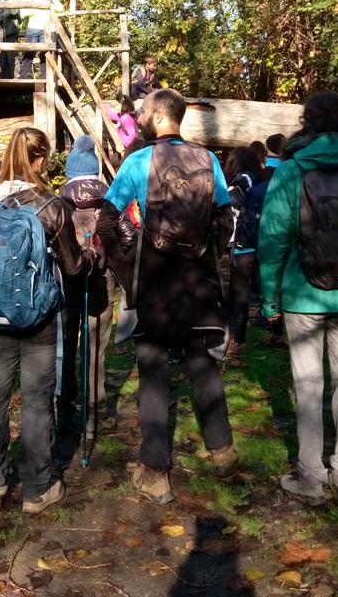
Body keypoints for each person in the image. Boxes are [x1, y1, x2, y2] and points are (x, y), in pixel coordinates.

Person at [97, 89, 237, 504]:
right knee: (203, 366)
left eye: (142, 111)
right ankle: (223, 453)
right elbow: (224, 218)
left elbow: (107, 220)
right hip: (198, 285)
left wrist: (129, 261)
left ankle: (156, 473)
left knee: (154, 374)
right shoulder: (209, 160)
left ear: (158, 116)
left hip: (157, 284)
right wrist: (207, 258)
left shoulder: (138, 161)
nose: (137, 116)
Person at [258, 91, 338, 503]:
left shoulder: (291, 170)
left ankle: (312, 476)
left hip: (302, 293)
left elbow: (273, 238)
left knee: (309, 383)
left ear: (307, 121)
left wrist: (269, 298)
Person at [0, 127, 86, 514]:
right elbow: (72, 266)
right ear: (41, 159)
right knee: (37, 400)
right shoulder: (51, 206)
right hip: (38, 318)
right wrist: (91, 259)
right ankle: (38, 488)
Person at [57, 136, 118, 438]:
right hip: (100, 277)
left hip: (68, 277)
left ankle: (64, 404)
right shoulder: (110, 197)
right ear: (95, 170)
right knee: (96, 343)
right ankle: (95, 409)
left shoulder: (58, 199)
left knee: (67, 339)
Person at [224, 147, 271, 354]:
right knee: (265, 287)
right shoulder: (263, 179)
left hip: (242, 242)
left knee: (240, 292)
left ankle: (238, 339)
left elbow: (232, 205)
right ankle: (277, 331)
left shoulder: (240, 182)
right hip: (263, 240)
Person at [19, 0, 64, 78]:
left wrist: (49, 6)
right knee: (29, 52)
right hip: (32, 28)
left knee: (45, 53)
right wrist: (37, 7)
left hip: (46, 30)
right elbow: (22, 12)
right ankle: (24, 76)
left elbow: (61, 8)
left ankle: (44, 76)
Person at [0, 0, 20, 79]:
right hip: (5, 29)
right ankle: (6, 77)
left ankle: (16, 77)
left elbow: (14, 9)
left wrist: (0, 17)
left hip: (10, 28)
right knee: (4, 55)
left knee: (12, 54)